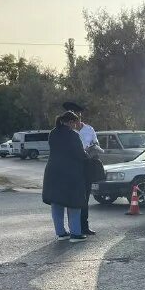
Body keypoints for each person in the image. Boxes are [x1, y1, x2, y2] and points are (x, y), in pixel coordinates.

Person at [42, 109, 88, 241]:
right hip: (70, 173)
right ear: (71, 122)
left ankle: (60, 233)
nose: (76, 125)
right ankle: (76, 234)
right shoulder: (72, 135)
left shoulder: (53, 133)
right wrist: (88, 154)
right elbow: (79, 154)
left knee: (57, 203)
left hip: (52, 172)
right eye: (75, 123)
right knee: (74, 203)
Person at [62, 101, 102, 236]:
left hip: (86, 166)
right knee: (72, 198)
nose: (77, 118)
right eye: (73, 115)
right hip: (71, 167)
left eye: (78, 114)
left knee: (85, 198)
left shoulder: (89, 130)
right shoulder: (66, 131)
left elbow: (96, 144)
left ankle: (84, 226)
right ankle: (73, 228)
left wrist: (93, 148)